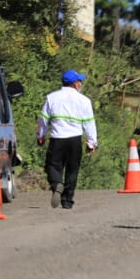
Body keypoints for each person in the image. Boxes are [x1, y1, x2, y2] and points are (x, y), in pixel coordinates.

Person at [36, 69, 97, 210]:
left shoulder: (51, 98)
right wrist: (91, 142)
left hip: (57, 138)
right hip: (75, 140)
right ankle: (67, 200)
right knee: (72, 169)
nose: (81, 84)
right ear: (75, 84)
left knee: (52, 166)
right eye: (79, 81)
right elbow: (89, 123)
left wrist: (40, 135)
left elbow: (43, 120)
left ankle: (57, 183)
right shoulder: (84, 101)